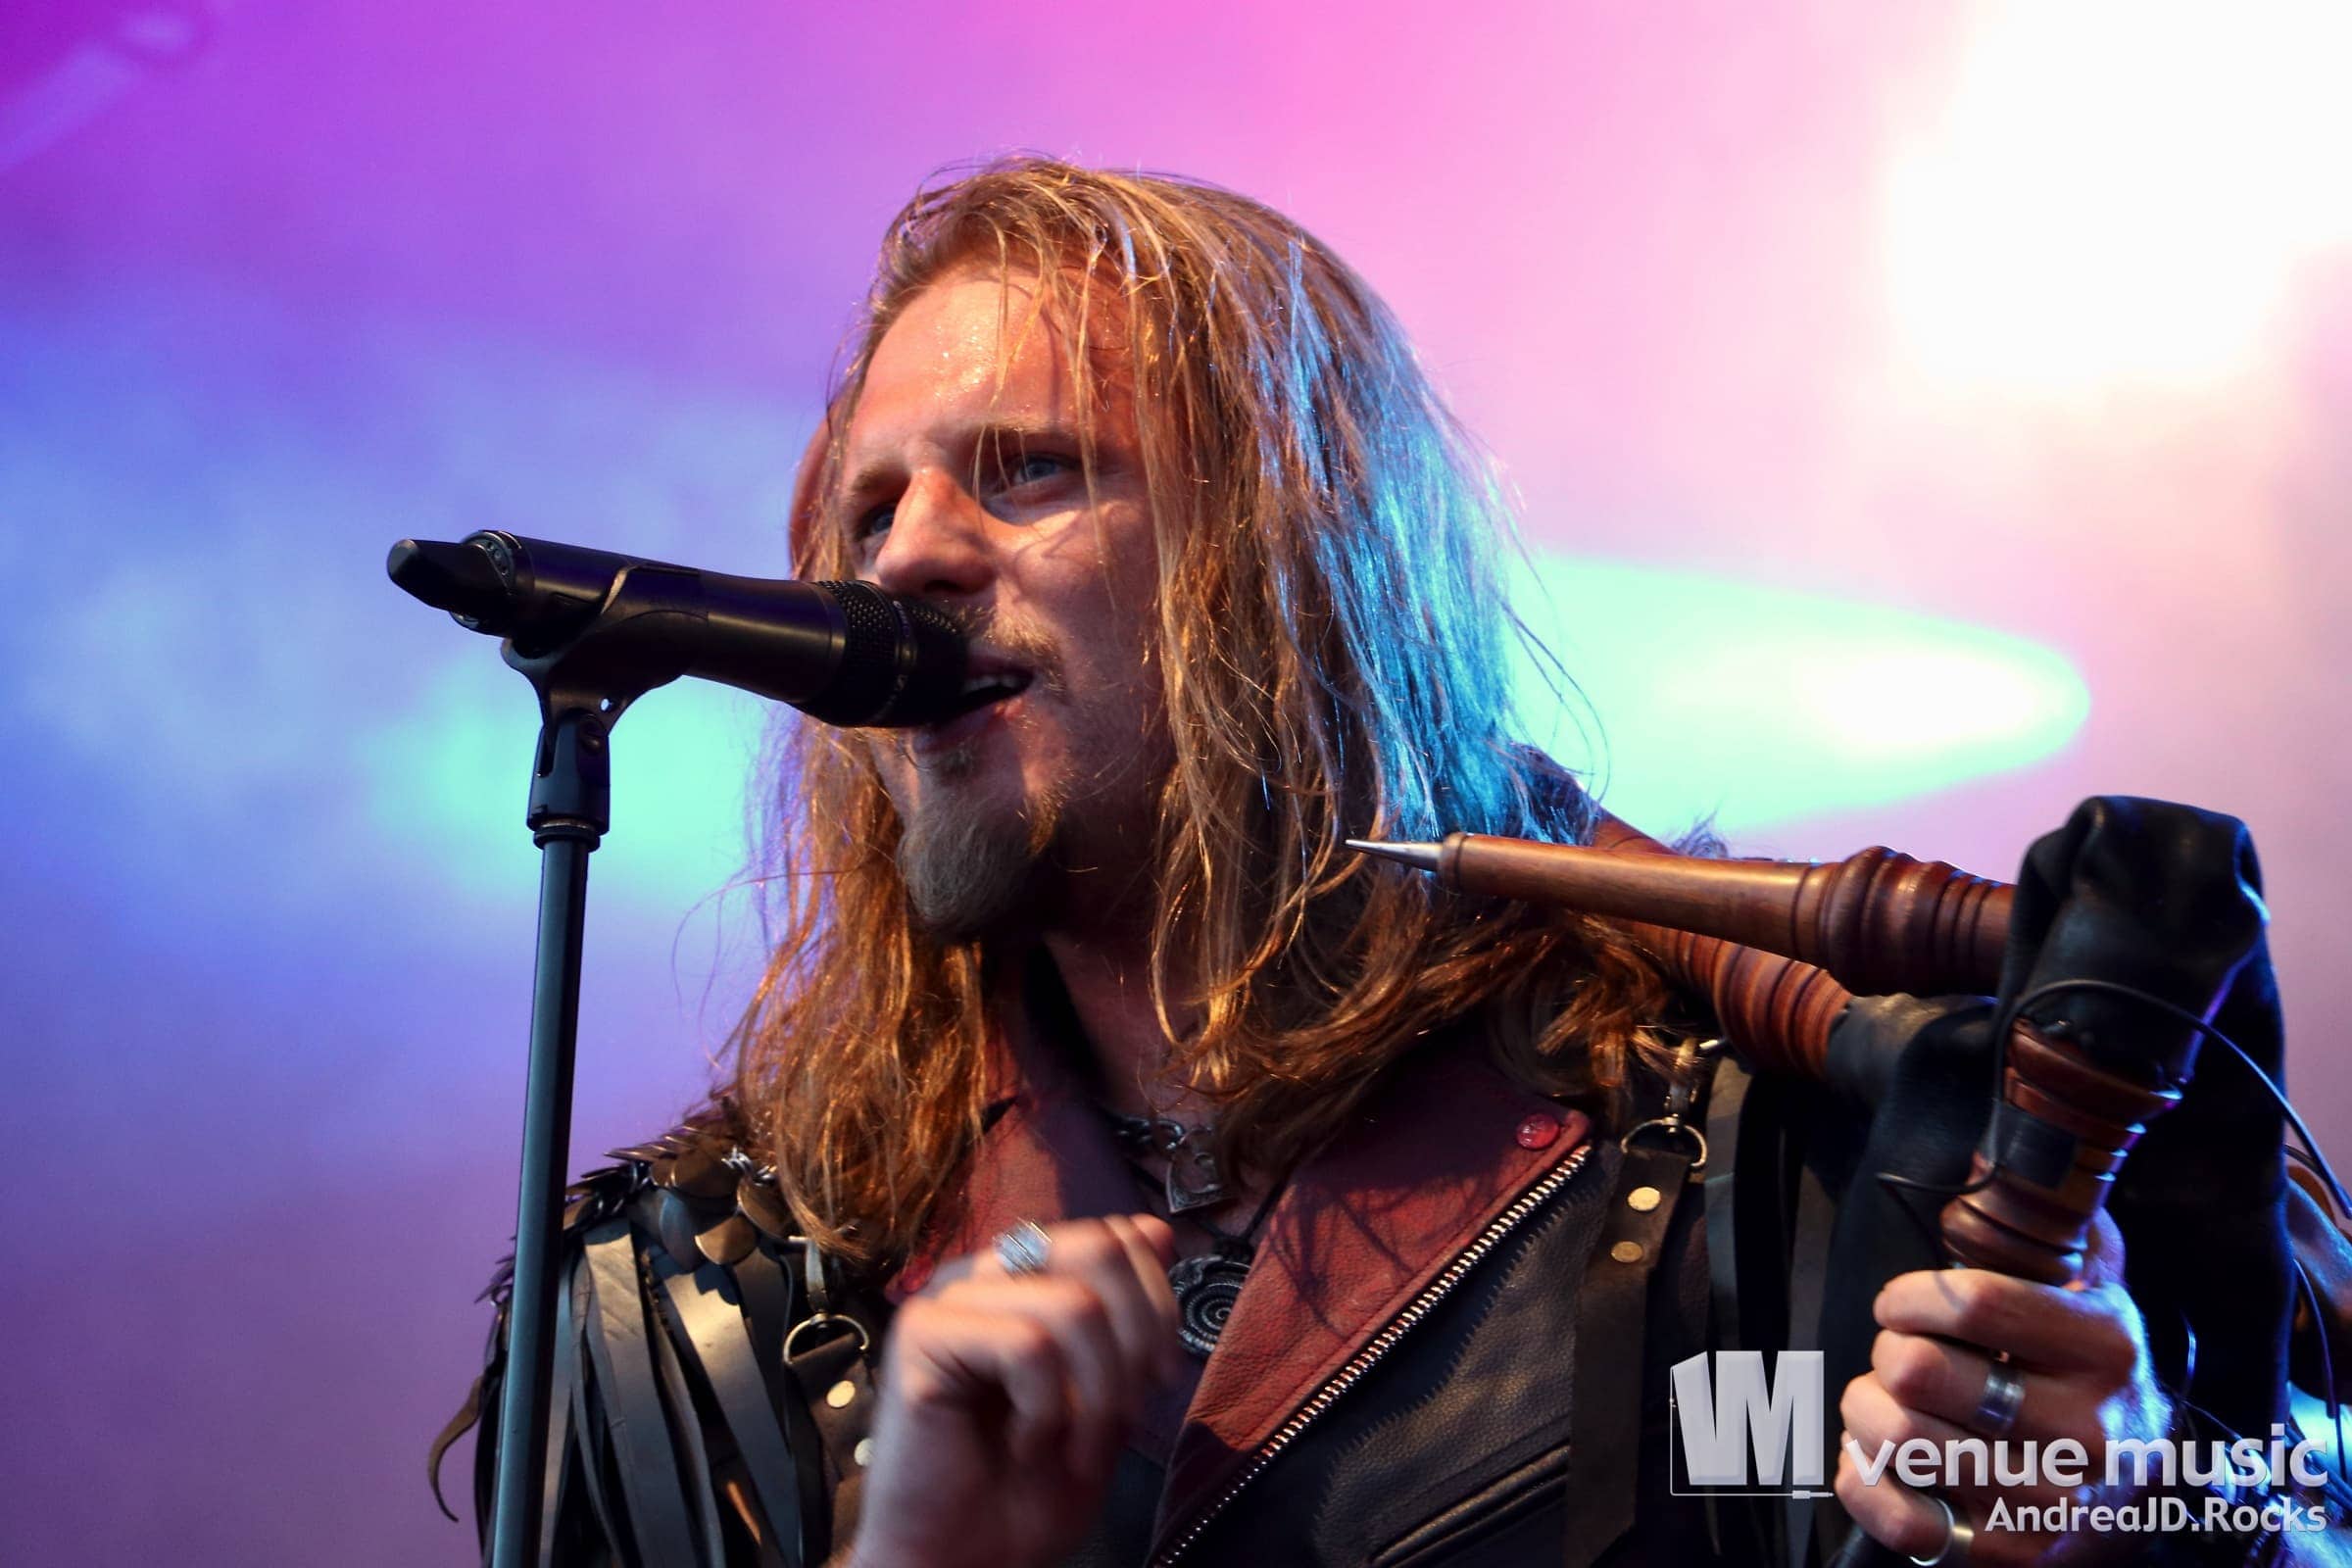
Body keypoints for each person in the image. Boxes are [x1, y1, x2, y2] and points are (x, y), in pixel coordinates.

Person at [436, 158, 2334, 1567]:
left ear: (1292, 565)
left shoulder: (1781, 1166)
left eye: (1027, 470)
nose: (908, 555)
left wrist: (2148, 1517)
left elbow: (2278, 1493)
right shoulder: (688, 1312)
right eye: (870, 506)